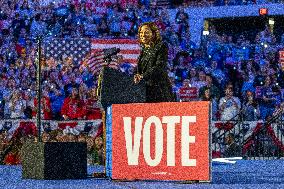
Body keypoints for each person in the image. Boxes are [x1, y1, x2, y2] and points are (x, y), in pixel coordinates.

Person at [134, 22, 174, 102]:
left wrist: (143, 76)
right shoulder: (143, 51)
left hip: (159, 90)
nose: (143, 35)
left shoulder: (161, 46)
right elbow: (139, 69)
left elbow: (159, 66)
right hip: (144, 91)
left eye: (146, 32)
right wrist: (136, 76)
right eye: (141, 32)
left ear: (153, 33)